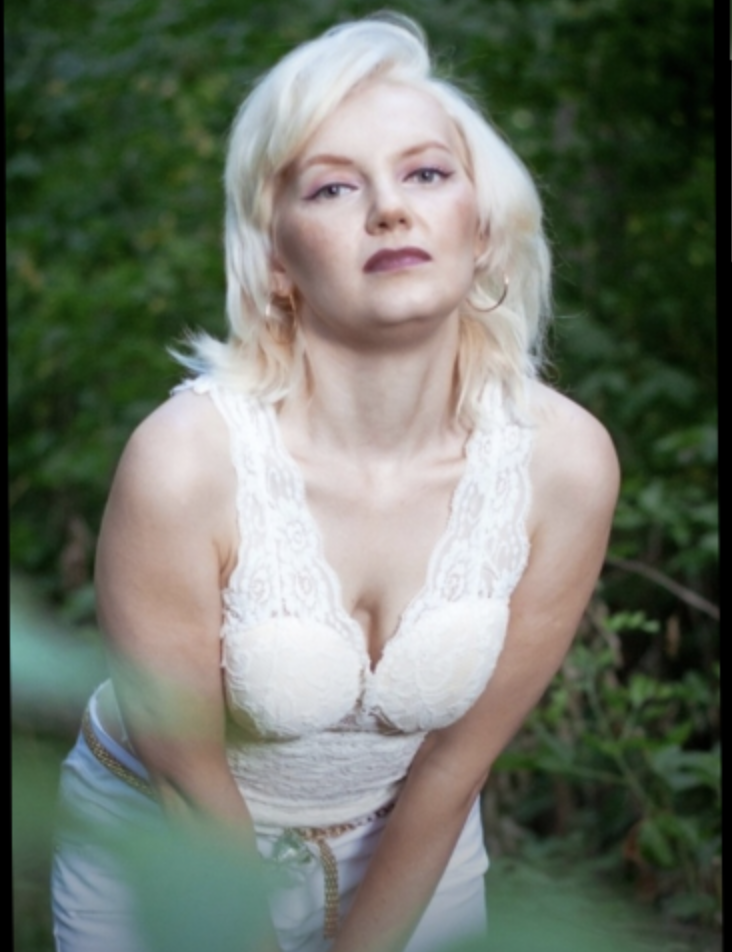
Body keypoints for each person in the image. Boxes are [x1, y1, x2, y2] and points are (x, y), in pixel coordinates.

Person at [51, 13, 620, 952]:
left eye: (426, 174)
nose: (389, 209)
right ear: (276, 262)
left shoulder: (565, 464)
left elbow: (456, 766)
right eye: (333, 187)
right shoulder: (184, 464)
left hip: (418, 845)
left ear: (483, 230)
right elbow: (190, 783)